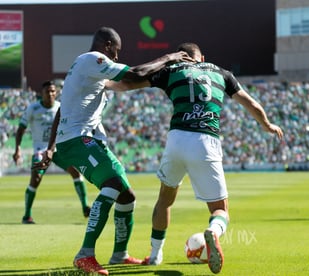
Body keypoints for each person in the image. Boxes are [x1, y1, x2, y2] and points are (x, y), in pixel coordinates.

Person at [33, 26, 193, 275]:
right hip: (77, 140)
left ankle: (119, 254)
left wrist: (165, 78)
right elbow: (135, 72)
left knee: (127, 195)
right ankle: (84, 254)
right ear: (107, 45)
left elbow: (130, 83)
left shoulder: (87, 70)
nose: (116, 57)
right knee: (112, 184)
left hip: (85, 140)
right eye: (116, 51)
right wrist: (168, 58)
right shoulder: (93, 60)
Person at [142, 42, 284, 274]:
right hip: (205, 141)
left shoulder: (173, 70)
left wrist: (106, 83)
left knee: (164, 200)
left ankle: (156, 255)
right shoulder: (222, 73)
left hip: (176, 139)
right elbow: (251, 103)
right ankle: (214, 232)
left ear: (182, 57)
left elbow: (134, 79)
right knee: (220, 209)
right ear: (202, 57)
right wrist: (267, 125)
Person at [13, 80, 90, 224]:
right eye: (47, 91)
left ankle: (85, 207)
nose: (50, 94)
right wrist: (17, 148)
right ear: (41, 94)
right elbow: (21, 129)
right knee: (36, 179)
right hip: (40, 149)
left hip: (58, 148)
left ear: (56, 93)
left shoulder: (61, 108)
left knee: (76, 171)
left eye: (53, 91)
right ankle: (27, 215)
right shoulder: (33, 108)